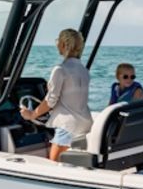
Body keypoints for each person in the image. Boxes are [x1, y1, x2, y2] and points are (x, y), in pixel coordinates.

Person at [20, 28, 93, 162]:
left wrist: (31, 115)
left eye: (58, 41)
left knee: (54, 166)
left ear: (64, 45)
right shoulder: (84, 70)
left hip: (67, 127)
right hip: (85, 125)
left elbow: (50, 101)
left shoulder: (60, 70)